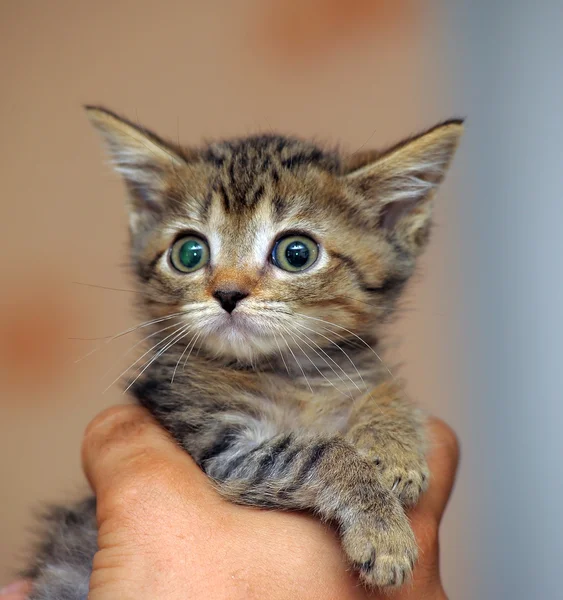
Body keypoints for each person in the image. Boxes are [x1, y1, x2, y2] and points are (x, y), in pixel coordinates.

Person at [1, 406, 459, 599]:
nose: (228, 287)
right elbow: (228, 464)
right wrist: (350, 486)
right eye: (192, 255)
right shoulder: (194, 377)